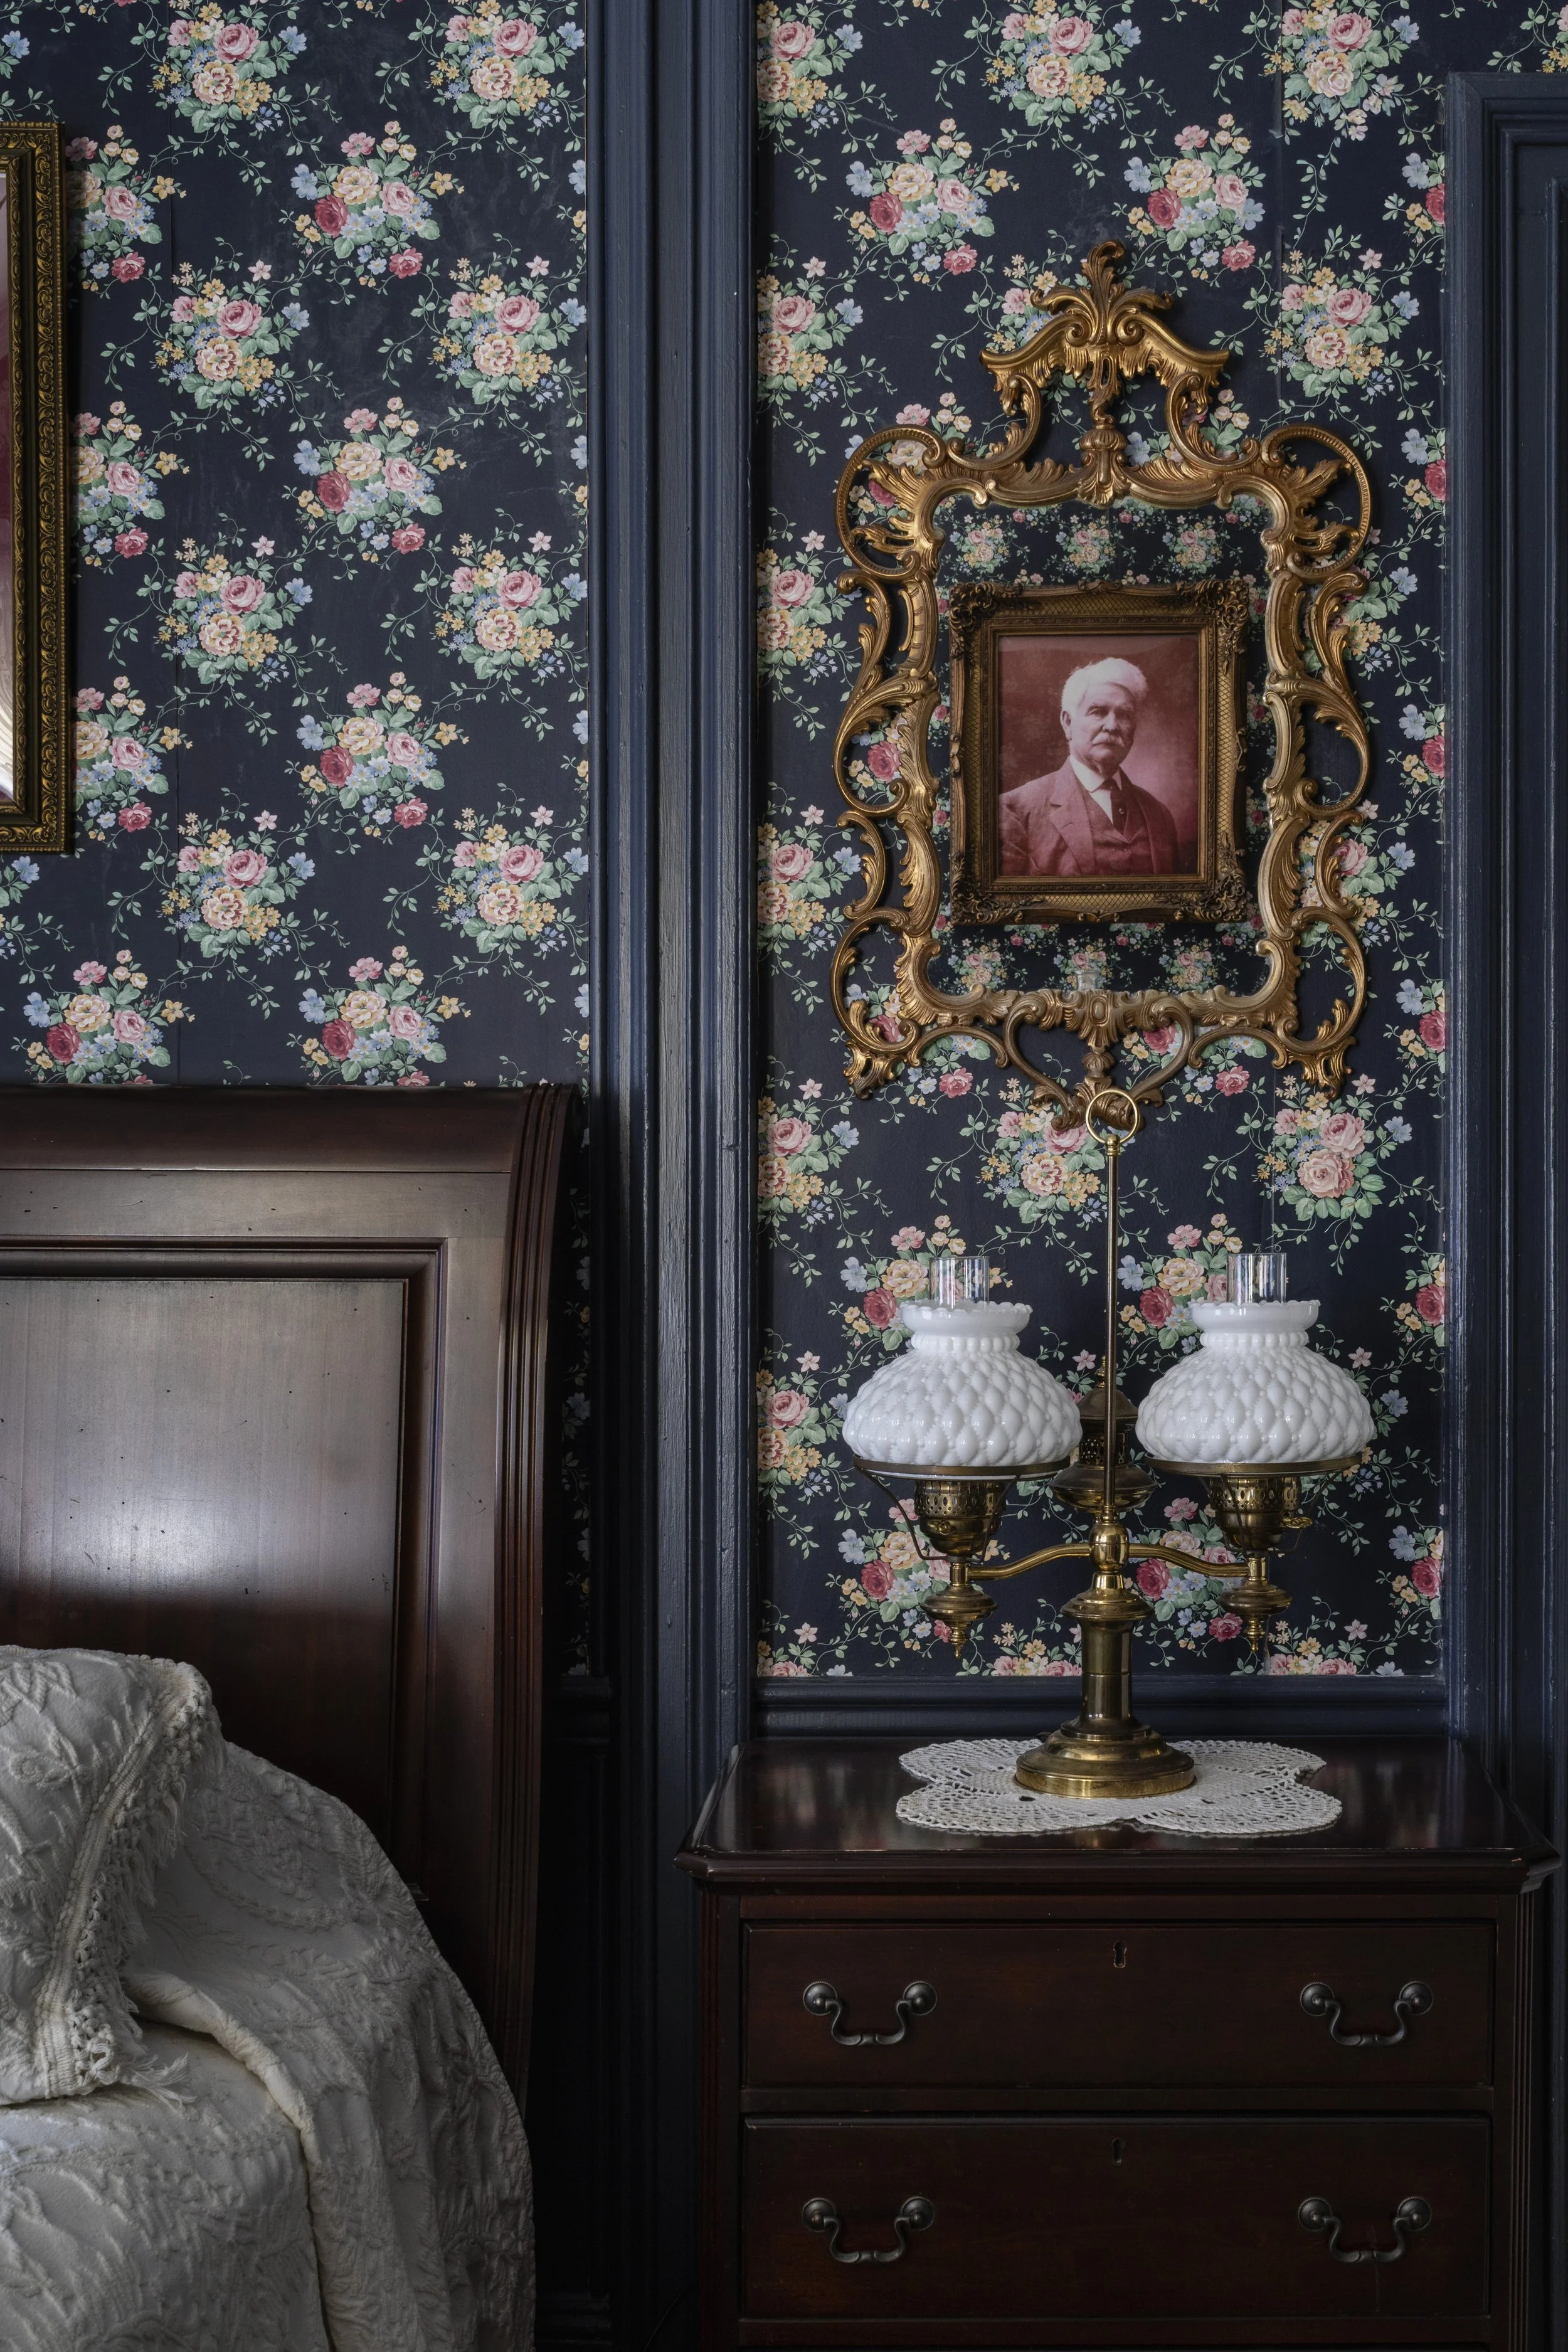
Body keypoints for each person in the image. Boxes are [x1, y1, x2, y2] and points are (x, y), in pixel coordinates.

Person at [999, 655, 1184, 877]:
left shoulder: (1160, 815)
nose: (1112, 726)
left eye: (1124, 715)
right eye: (1098, 712)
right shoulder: (1016, 810)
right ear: (1068, 722)